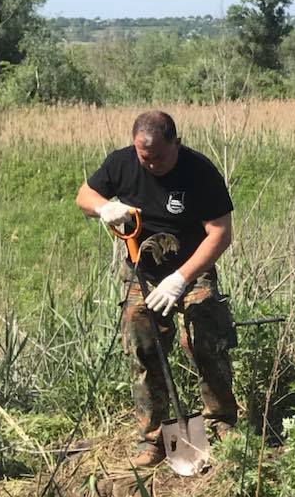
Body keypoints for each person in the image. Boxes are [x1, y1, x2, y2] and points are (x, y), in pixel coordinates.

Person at [76, 111, 239, 467]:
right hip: (142, 272)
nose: (149, 165)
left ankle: (222, 421)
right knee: (141, 341)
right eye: (143, 157)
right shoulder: (121, 163)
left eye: (158, 157)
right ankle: (152, 437)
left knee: (202, 331)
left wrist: (180, 279)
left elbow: (221, 234)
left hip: (192, 271)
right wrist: (104, 207)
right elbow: (83, 195)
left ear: (175, 144)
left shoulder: (200, 172)